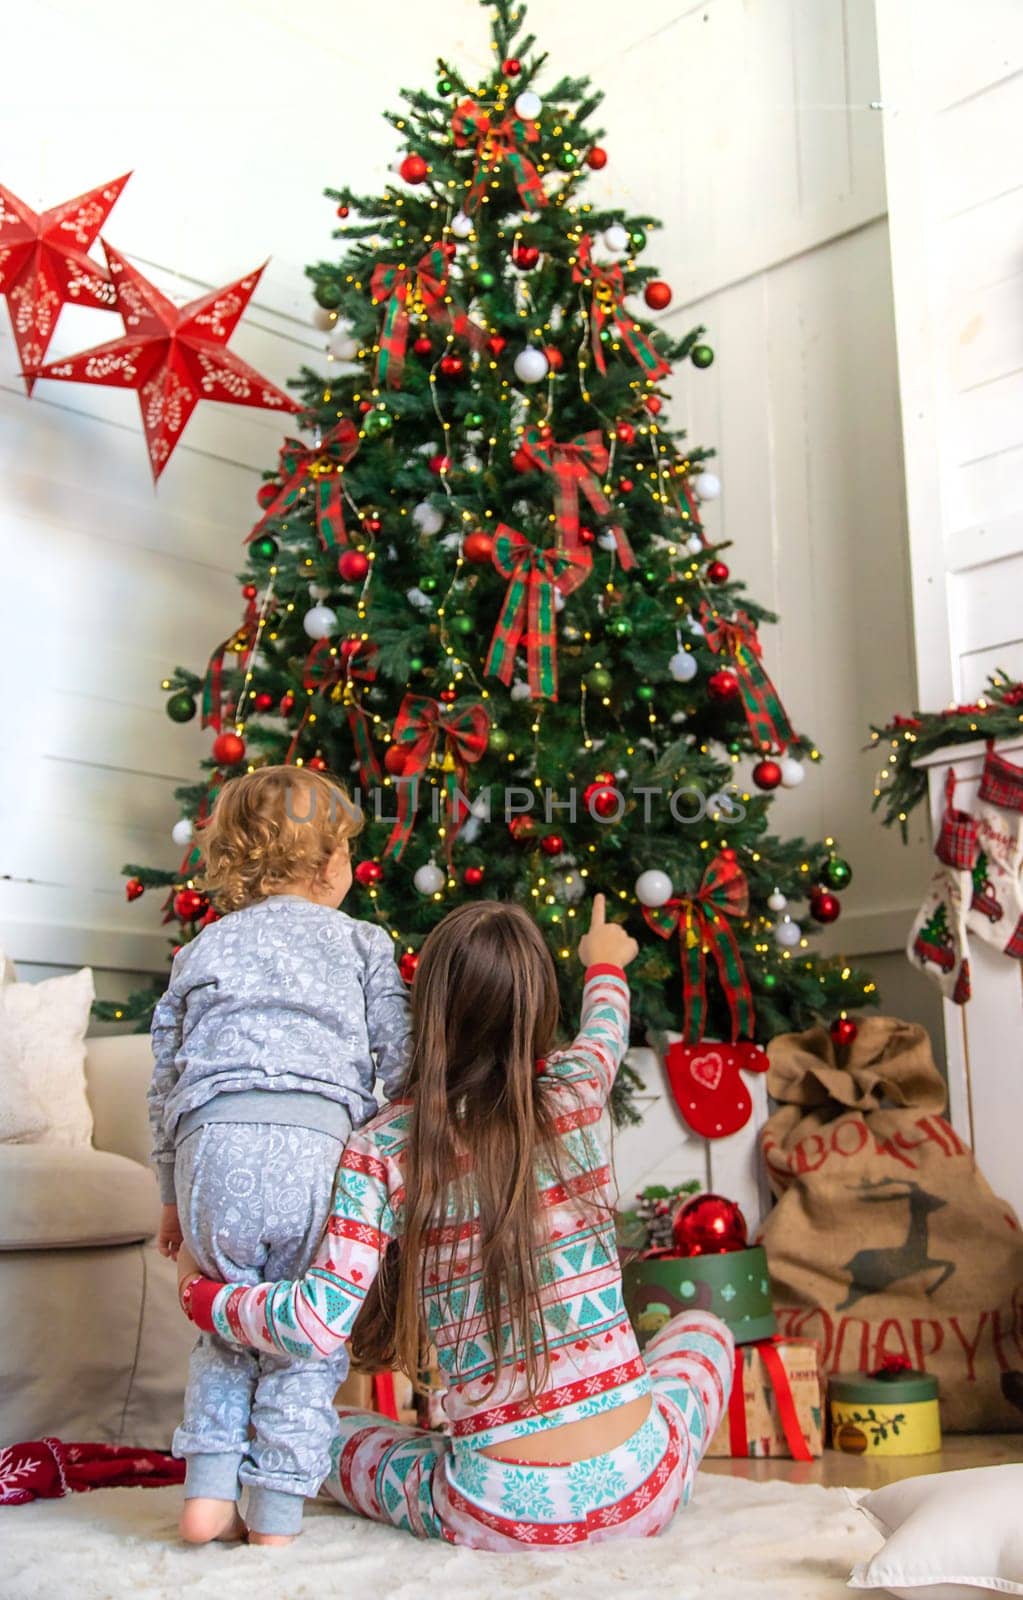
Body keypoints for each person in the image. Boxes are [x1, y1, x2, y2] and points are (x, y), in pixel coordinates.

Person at [176, 896, 733, 1549]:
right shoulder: (578, 1090)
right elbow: (606, 1023)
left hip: (493, 1510)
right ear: (537, 1004)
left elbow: (315, 1321)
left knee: (326, 1435)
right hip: (644, 1487)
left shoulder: (385, 1148)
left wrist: (201, 1294)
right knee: (702, 1332)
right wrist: (603, 959)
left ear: (428, 1011)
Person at [150, 765, 409, 1546]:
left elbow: (166, 1075)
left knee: (227, 1324)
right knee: (304, 1335)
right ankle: (276, 1514)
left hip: (209, 1150)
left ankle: (205, 1499)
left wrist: (170, 1194)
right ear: (332, 864)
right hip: (315, 1152)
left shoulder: (202, 947)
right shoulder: (363, 941)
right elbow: (397, 1063)